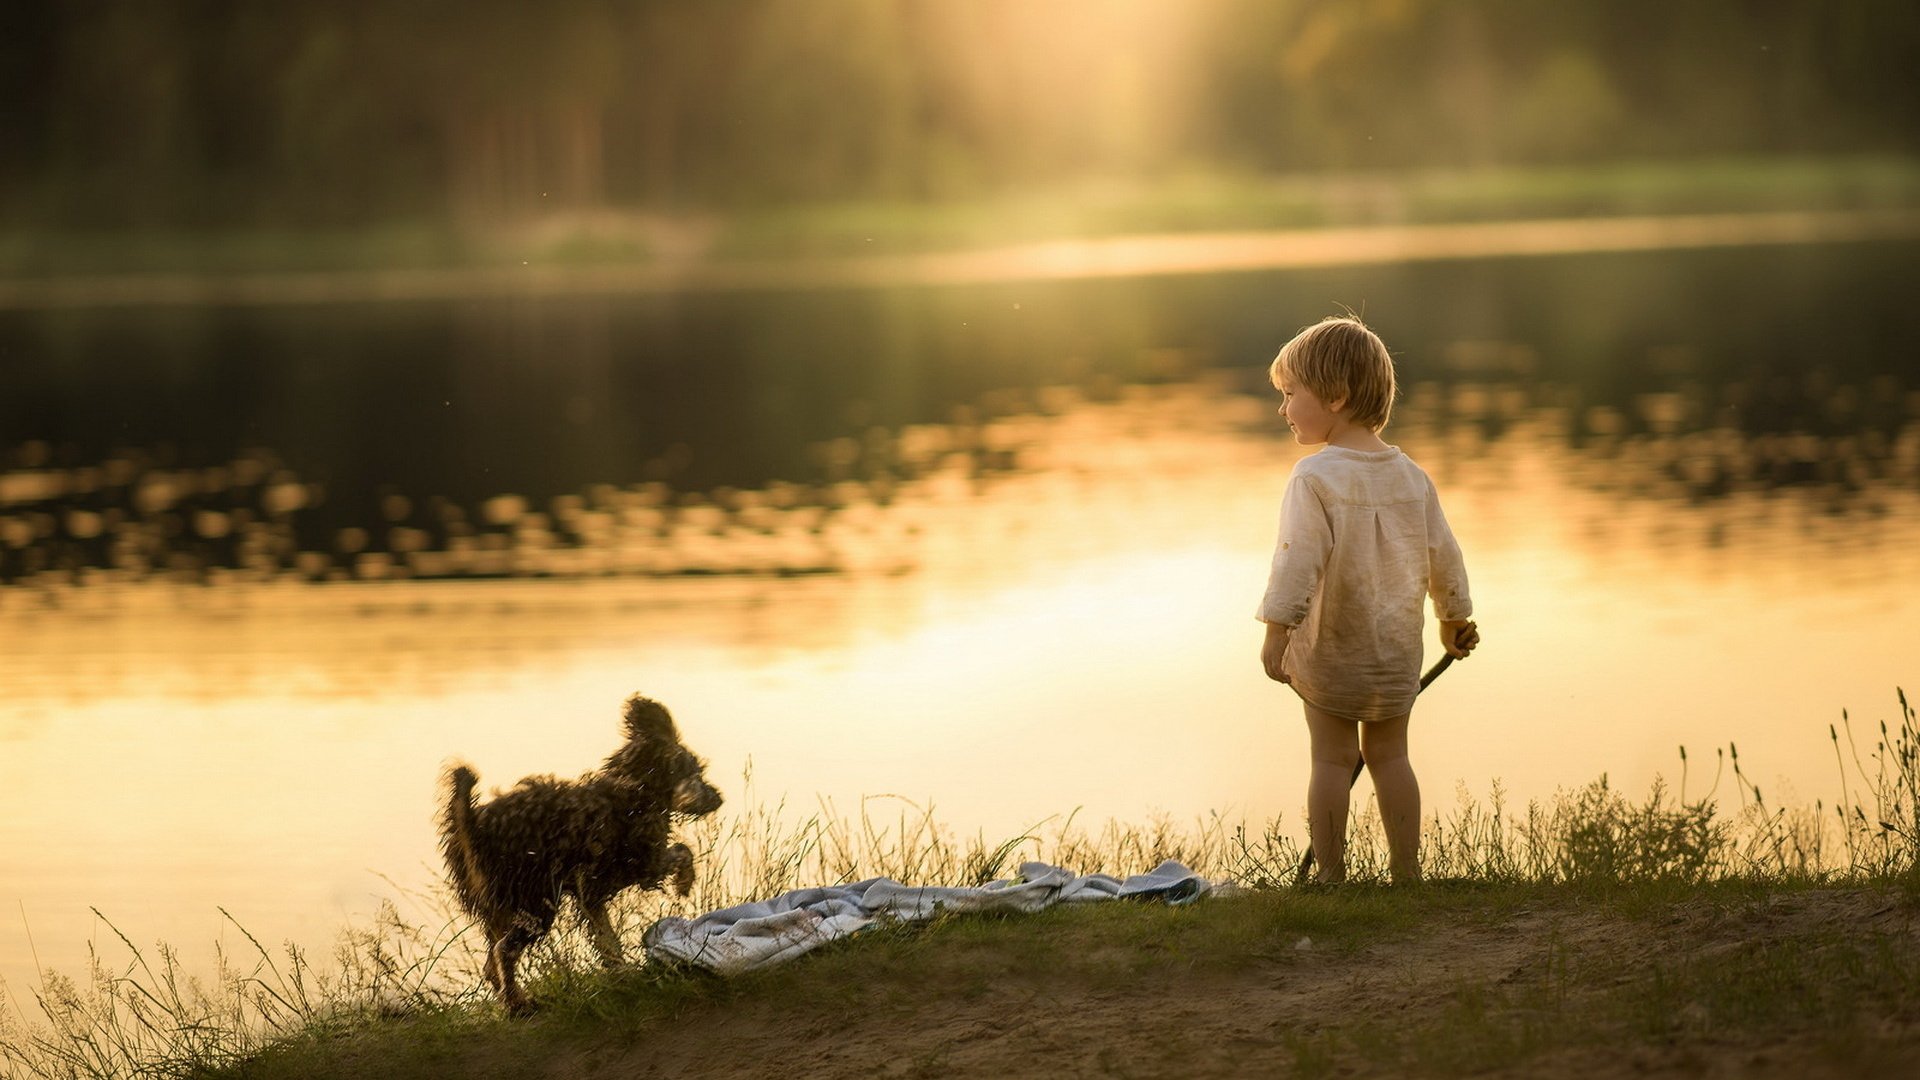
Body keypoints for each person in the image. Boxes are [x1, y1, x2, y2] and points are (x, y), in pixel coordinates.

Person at [1255, 315, 1479, 884]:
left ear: (1334, 396)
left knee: (1331, 760)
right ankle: (1407, 874)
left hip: (1332, 647)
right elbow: (1444, 556)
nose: (1283, 409)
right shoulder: (1412, 476)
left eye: (1289, 395)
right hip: (1393, 649)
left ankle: (1332, 878)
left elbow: (1295, 560)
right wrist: (1454, 617)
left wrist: (1277, 631)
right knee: (1391, 757)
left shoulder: (1315, 477)